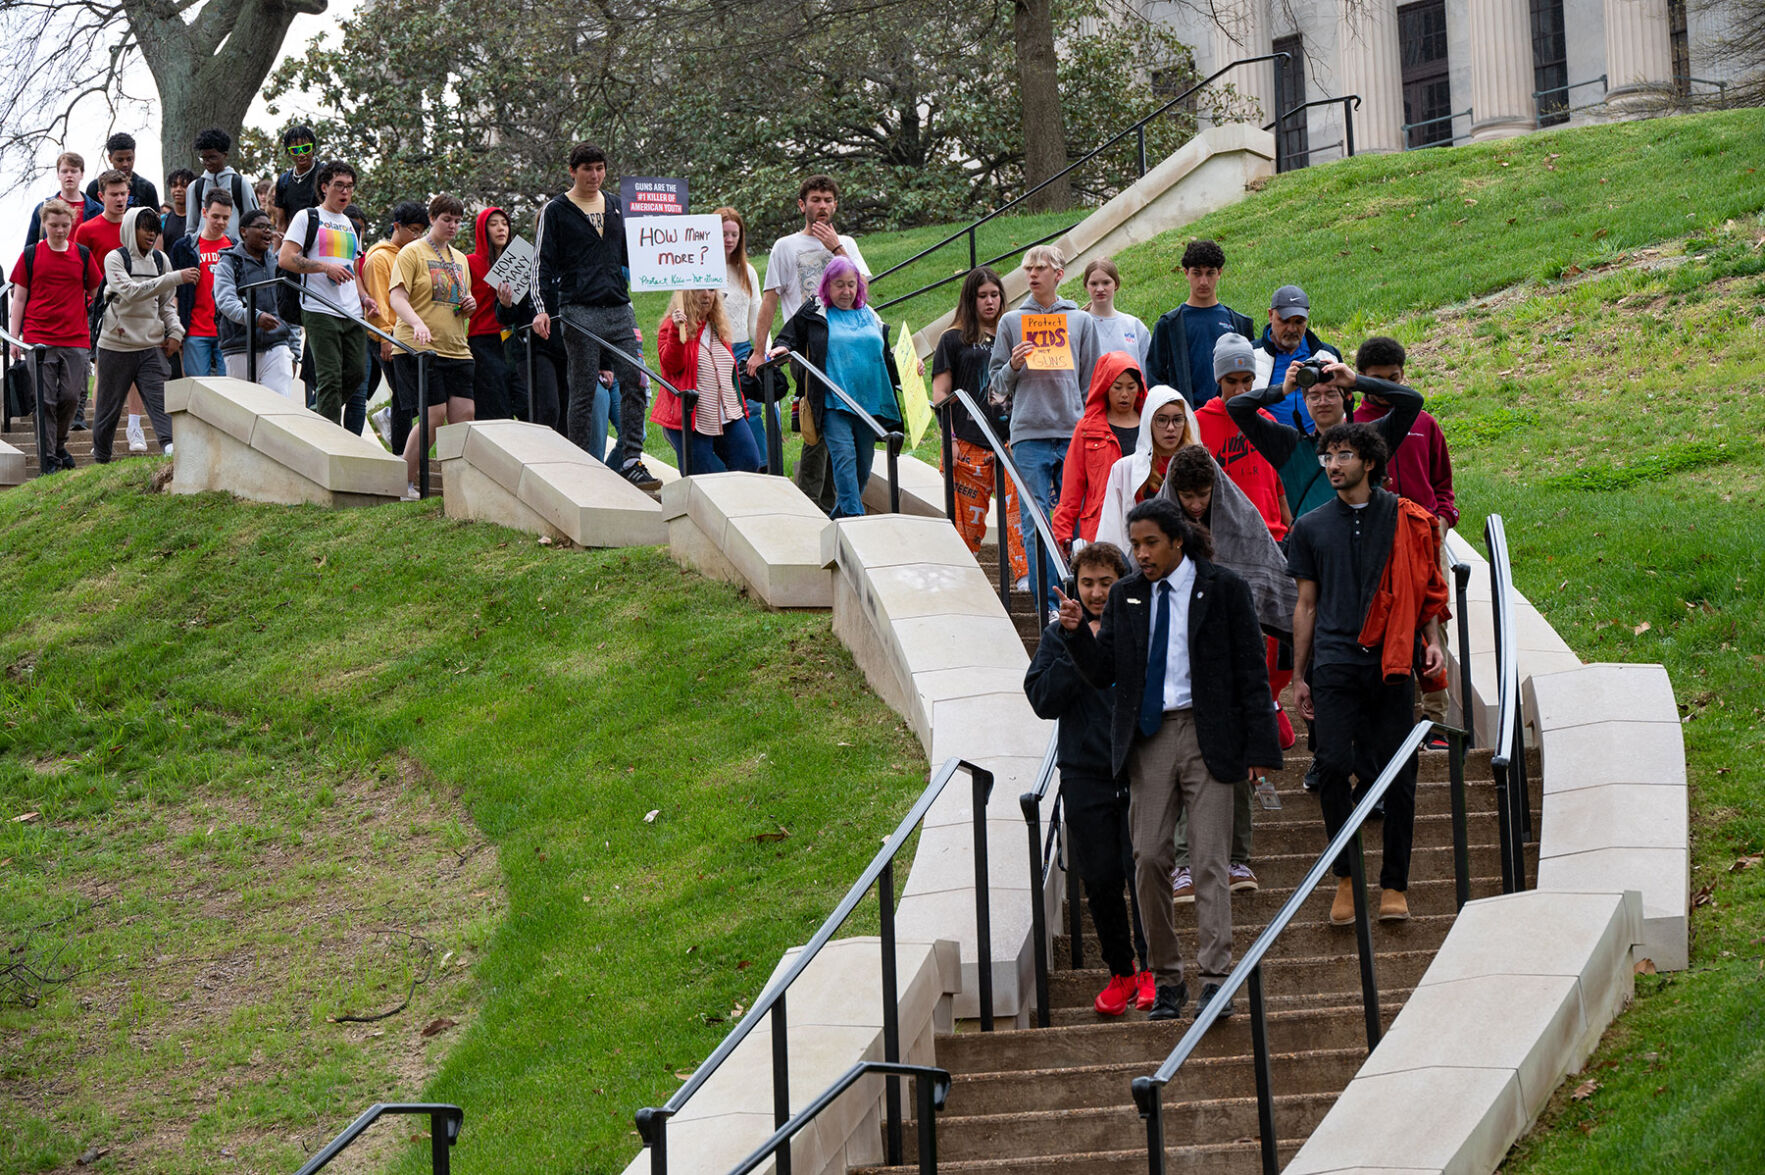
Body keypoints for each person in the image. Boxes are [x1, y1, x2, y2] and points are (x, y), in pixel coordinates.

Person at [1056, 498, 1282, 1021]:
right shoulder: (1128, 596)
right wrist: (1074, 636)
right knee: (1151, 857)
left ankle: (1215, 979)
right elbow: (1102, 670)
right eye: (1134, 545)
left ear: (1177, 540)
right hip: (1150, 737)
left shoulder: (1224, 588)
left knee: (1207, 860)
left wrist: (1260, 750)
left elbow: (1252, 669)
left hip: (1210, 737)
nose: (1141, 554)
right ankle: (1167, 977)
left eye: (1149, 543)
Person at [1288, 423, 1448, 926]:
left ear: (1370, 462)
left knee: (1399, 771)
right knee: (1332, 766)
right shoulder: (1310, 527)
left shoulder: (1406, 518)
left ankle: (1394, 885)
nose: (1333, 464)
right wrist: (1298, 675)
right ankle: (1345, 876)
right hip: (1334, 663)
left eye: (1343, 455)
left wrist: (1435, 642)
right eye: (1326, 456)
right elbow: (1306, 605)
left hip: (1393, 662)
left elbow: (1423, 586)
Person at [1024, 541, 1153, 1016]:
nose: (1098, 593)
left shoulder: (1140, 624)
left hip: (1138, 769)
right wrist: (1080, 646)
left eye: (1106, 582)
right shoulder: (1060, 635)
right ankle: (1120, 971)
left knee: (1143, 871)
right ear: (1075, 587)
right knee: (1099, 879)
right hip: (1084, 774)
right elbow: (1040, 698)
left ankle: (1152, 970)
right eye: (1088, 583)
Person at [1160, 445, 1294, 899]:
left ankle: (1237, 859)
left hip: (1234, 658)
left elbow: (1269, 574)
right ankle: (1184, 864)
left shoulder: (1241, 516)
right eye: (1186, 496)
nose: (1195, 505)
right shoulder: (1159, 531)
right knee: (1180, 766)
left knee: (1235, 764)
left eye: (1202, 494)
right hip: (1180, 663)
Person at [530, 141, 659, 488]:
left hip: (618, 308)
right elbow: (541, 262)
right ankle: (580, 463)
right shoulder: (556, 211)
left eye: (600, 168)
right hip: (578, 311)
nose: (595, 175)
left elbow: (638, 255)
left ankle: (632, 458)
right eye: (587, 169)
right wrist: (542, 309)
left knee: (636, 381)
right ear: (573, 172)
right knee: (584, 388)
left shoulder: (618, 206)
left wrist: (681, 260)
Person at [1352, 336, 1458, 730]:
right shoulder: (1351, 427)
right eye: (1379, 381)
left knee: (1434, 624)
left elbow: (1443, 487)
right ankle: (1389, 716)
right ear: (1362, 379)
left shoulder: (1425, 423)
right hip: (1374, 542)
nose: (1389, 389)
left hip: (1425, 539)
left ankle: (1436, 720)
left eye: (1395, 378)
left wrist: (1441, 523)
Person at [748, 175, 870, 513]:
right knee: (816, 429)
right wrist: (759, 351)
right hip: (810, 355)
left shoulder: (847, 243)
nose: (822, 206)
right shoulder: (786, 246)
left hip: (850, 353)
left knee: (846, 429)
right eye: (815, 199)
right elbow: (769, 301)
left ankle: (838, 506)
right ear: (802, 205)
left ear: (835, 205)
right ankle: (810, 507)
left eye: (828, 200)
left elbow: (863, 291)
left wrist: (837, 248)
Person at [988, 244, 1100, 592]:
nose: (1033, 275)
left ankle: (1080, 597)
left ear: (1058, 275)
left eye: (1040, 268)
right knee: (1034, 520)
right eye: (1028, 269)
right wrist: (1013, 365)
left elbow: (1091, 382)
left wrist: (1085, 425)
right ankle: (1047, 604)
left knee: (1080, 518)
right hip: (1028, 434)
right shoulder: (1011, 322)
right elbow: (995, 385)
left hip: (1072, 433)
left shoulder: (1081, 321)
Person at [770, 258, 903, 519]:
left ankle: (837, 523)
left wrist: (908, 368)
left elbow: (884, 355)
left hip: (869, 403)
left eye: (851, 285)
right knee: (844, 460)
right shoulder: (815, 311)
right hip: (833, 402)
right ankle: (856, 521)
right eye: (839, 285)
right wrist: (784, 348)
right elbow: (788, 336)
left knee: (863, 469)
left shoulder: (870, 314)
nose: (846, 291)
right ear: (827, 286)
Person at [1227, 359, 1424, 522]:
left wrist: (1356, 380)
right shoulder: (1288, 444)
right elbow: (1236, 406)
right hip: (1313, 552)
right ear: (1305, 402)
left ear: (1347, 398)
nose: (1322, 402)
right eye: (1314, 396)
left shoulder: (1370, 439)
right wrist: (1283, 389)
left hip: (1367, 543)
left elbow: (1412, 401)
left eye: (1330, 394)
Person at [931, 266, 1026, 583]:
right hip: (969, 442)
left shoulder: (1014, 335)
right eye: (982, 296)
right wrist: (951, 438)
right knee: (965, 524)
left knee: (1020, 517)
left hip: (1013, 440)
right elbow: (941, 393)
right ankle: (963, 580)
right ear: (970, 300)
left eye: (995, 295)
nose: (989, 302)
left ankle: (1025, 577)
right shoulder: (953, 339)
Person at [390, 194, 476, 496]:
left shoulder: (461, 259)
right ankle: (404, 480)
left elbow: (459, 303)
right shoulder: (411, 252)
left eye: (456, 220)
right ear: (432, 218)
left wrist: (469, 304)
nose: (452, 225)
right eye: (446, 219)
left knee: (464, 415)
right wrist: (417, 323)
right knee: (433, 414)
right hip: (418, 347)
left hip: (457, 347)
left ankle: (458, 487)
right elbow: (397, 297)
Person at [92, 208, 194, 461]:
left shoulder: (161, 261)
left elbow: (165, 305)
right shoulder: (115, 258)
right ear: (130, 228)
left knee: (161, 403)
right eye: (144, 227)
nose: (151, 233)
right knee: (107, 411)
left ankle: (170, 449)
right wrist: (174, 278)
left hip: (150, 347)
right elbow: (131, 292)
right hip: (115, 346)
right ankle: (102, 457)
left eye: (154, 228)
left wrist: (176, 332)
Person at [8, 199, 102, 471]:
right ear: (44, 225)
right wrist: (15, 339)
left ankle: (59, 444)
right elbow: (19, 299)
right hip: (39, 339)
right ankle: (48, 458)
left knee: (71, 396)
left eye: (64, 225)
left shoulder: (82, 254)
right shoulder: (31, 254)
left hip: (75, 338)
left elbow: (97, 295)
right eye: (54, 225)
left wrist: (96, 325)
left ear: (71, 224)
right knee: (45, 400)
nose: (60, 230)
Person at [279, 160, 375, 426]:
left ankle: (315, 413)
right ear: (324, 187)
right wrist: (324, 268)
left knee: (356, 374)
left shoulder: (353, 226)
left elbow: (355, 271)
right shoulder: (307, 217)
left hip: (352, 312)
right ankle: (329, 439)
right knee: (330, 377)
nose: (345, 192)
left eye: (349, 187)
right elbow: (286, 258)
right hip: (319, 308)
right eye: (339, 186)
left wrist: (366, 298)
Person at [654, 289, 763, 474]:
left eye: (712, 290)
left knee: (748, 461)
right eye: (699, 290)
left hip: (728, 415)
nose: (707, 295)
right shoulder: (672, 327)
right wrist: (676, 331)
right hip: (693, 419)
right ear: (686, 294)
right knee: (702, 479)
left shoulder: (717, 325)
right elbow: (671, 366)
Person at [1052, 350, 1146, 557]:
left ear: (1139, 389)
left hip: (1144, 525)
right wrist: (1062, 534)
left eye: (1131, 387)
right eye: (1117, 387)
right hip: (1099, 527)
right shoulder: (1086, 429)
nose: (1124, 394)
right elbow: (1071, 491)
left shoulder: (1151, 426)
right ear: (1105, 388)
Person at [1143, 239, 1254, 407]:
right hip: (1187, 418)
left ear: (1219, 273)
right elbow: (1155, 379)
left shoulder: (1239, 323)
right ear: (1186, 273)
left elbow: (1251, 374)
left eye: (1210, 273)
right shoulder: (1169, 324)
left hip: (1230, 416)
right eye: (1197, 273)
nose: (1203, 281)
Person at [1094, 384, 1201, 556]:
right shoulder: (1125, 469)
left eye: (1177, 419)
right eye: (1162, 419)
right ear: (1149, 422)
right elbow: (1112, 528)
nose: (1171, 427)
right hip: (1142, 560)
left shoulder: (1200, 463)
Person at [72, 169, 134, 438]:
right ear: (101, 195)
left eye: (124, 193)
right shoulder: (86, 230)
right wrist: (87, 302)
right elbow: (77, 270)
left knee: (136, 367)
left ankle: (134, 428)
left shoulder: (137, 224)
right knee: (104, 369)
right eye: (114, 194)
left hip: (136, 304)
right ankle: (101, 431)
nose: (120, 199)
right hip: (99, 307)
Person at [364, 202, 429, 451]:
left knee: (413, 398)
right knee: (405, 398)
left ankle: (389, 418)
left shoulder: (413, 255)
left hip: (410, 336)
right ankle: (402, 456)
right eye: (412, 230)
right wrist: (385, 338)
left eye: (421, 231)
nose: (417, 236)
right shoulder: (379, 258)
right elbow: (379, 300)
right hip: (387, 337)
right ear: (396, 227)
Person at [213, 209, 295, 397]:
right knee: (244, 412)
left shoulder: (277, 264)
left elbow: (287, 307)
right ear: (243, 231)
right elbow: (225, 301)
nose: (268, 231)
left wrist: (295, 350)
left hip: (276, 345)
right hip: (239, 347)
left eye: (269, 227)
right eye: (260, 227)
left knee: (277, 406)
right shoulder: (228, 263)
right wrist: (255, 317)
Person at [716, 207, 772, 467]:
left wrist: (764, 352)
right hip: (714, 350)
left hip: (742, 349)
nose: (728, 239)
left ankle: (762, 464)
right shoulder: (702, 271)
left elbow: (756, 315)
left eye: (734, 234)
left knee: (755, 408)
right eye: (723, 233)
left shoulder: (747, 271)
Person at [1254, 285, 1341, 433]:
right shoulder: (1251, 355)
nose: (1292, 329)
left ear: (1308, 316)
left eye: (1299, 322)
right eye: (1285, 321)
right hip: (1267, 447)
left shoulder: (1327, 354)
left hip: (1320, 446)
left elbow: (1346, 403)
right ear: (1270, 315)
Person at [171, 187, 233, 377]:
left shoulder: (235, 248)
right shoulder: (185, 247)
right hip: (196, 329)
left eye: (225, 217)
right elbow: (173, 291)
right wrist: (176, 326)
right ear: (204, 213)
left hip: (227, 332)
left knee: (231, 392)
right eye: (215, 216)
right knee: (198, 391)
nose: (220, 222)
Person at [466, 206, 515, 420]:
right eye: (493, 224)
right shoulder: (470, 262)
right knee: (494, 403)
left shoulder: (515, 262)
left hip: (513, 338)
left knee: (524, 401)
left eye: (504, 224)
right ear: (482, 229)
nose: (501, 229)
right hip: (483, 339)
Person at [185, 127, 258, 241]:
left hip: (234, 252)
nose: (207, 162)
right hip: (203, 254)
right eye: (204, 158)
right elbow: (191, 227)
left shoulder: (239, 184)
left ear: (224, 155)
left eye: (212, 157)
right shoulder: (195, 187)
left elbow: (254, 220)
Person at [1081, 258, 1150, 372]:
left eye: (1106, 282)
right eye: (1094, 283)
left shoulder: (1134, 326)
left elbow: (1147, 369)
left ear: (1116, 284)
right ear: (1086, 286)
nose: (1100, 289)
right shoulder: (1080, 325)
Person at [24, 152, 101, 247]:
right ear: (58, 174)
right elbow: (30, 249)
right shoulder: (42, 208)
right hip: (51, 260)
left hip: (84, 260)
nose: (69, 175)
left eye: (74, 171)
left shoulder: (98, 210)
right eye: (64, 171)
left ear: (82, 174)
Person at [83, 133, 158, 211]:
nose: (125, 164)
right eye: (120, 160)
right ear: (110, 158)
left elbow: (155, 220)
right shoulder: (95, 187)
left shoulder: (146, 188)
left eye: (129, 159)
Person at [270, 125, 320, 232]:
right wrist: (278, 248)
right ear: (289, 152)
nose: (301, 154)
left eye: (306, 148)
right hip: (295, 239)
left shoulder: (324, 173)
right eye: (295, 150)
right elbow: (281, 225)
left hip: (323, 236)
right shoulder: (283, 181)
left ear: (313, 148)